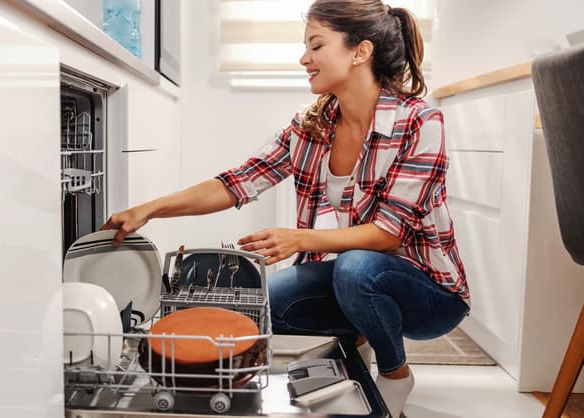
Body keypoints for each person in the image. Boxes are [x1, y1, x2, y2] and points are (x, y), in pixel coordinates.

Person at [101, 0, 470, 416]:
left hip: (431, 294)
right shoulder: (312, 126)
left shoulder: (420, 121)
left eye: (316, 46)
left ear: (359, 51)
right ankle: (359, 345)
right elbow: (235, 183)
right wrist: (150, 209)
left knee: (355, 267)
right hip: (363, 279)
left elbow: (389, 234)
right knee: (267, 303)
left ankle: (395, 374)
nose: (304, 59)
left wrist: (300, 238)